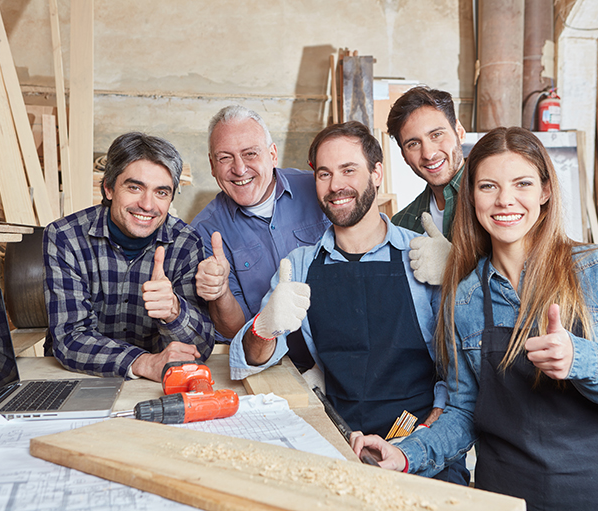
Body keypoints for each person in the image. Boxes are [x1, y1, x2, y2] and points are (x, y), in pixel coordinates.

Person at [353, 127, 598, 509]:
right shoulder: (464, 298)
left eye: (522, 183)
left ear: (545, 191)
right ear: (471, 196)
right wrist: (406, 454)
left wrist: (580, 360)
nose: (505, 200)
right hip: (508, 495)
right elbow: (463, 411)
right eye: (488, 186)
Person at [229, 121, 470, 486]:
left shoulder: (421, 256)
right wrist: (264, 327)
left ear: (376, 173)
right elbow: (247, 361)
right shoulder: (299, 266)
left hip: (423, 447)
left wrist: (460, 272)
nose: (336, 185)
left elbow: (462, 374)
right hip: (341, 446)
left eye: (348, 170)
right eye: (324, 173)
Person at [43, 132, 214, 382]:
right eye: (135, 187)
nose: (147, 204)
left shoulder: (186, 243)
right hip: (78, 377)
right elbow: (70, 338)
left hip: (155, 384)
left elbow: (200, 349)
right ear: (109, 188)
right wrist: (144, 362)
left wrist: (174, 312)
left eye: (161, 193)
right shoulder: (64, 237)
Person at [191, 105, 330, 367]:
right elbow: (235, 332)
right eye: (225, 158)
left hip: (345, 354)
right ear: (212, 165)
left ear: (272, 154)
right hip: (273, 367)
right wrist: (220, 293)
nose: (240, 169)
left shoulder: (318, 188)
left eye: (250, 153)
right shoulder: (204, 232)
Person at [388, 87, 466, 239]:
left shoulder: (491, 201)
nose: (428, 154)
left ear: (460, 132)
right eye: (414, 144)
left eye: (436, 135)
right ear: (404, 155)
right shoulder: (401, 225)